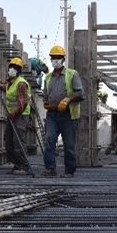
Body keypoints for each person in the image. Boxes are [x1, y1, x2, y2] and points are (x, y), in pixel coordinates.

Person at [42, 45, 85, 178]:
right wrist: (46, 103)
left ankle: (69, 171)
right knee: (49, 139)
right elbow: (45, 95)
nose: (55, 60)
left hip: (68, 115)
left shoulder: (72, 74)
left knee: (69, 144)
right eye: (53, 58)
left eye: (58, 58)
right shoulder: (48, 78)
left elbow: (80, 93)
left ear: (63, 59)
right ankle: (50, 169)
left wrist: (67, 99)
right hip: (52, 115)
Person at [0, 57, 34, 176]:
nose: (11, 70)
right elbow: (8, 90)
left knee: (18, 141)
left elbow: (23, 104)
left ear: (18, 70)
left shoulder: (21, 84)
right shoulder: (11, 83)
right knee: (8, 142)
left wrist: (13, 113)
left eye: (14, 68)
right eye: (10, 67)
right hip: (12, 116)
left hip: (20, 115)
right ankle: (17, 164)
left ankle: (24, 166)